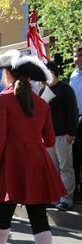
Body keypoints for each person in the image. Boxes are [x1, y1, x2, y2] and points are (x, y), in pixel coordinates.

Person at [0, 50, 66, 244]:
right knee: (39, 217)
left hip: (10, 162)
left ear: (8, 74)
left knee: (2, 215)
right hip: (37, 161)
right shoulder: (42, 103)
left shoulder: (2, 99)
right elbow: (49, 141)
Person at [41, 61, 79, 211]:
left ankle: (66, 198)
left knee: (65, 167)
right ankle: (54, 197)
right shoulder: (42, 91)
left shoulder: (65, 89)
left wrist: (71, 133)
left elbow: (73, 112)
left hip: (64, 135)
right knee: (52, 169)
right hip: (48, 137)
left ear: (54, 72)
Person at [70, 44, 82, 194]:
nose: (76, 58)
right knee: (75, 155)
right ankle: (77, 187)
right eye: (75, 55)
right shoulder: (73, 74)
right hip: (76, 119)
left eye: (79, 55)